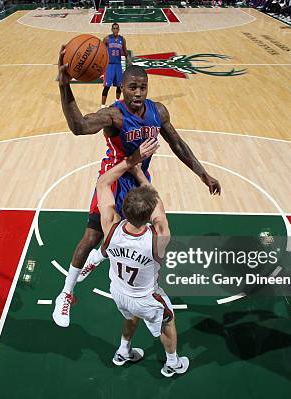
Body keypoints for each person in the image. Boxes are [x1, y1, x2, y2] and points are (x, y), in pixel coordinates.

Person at [52, 47, 221, 328]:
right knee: (91, 237)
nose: (138, 92)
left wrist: (203, 174)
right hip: (115, 178)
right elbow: (79, 126)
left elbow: (177, 144)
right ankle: (66, 292)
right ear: (122, 89)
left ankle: (109, 260)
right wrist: (64, 86)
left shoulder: (159, 112)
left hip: (140, 180)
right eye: (132, 87)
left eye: (142, 87)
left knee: (146, 239)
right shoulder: (114, 116)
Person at [89, 137, 190, 377]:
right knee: (168, 320)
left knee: (131, 315)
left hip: (119, 290)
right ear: (149, 216)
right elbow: (158, 208)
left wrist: (128, 163)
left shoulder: (110, 228)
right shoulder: (158, 238)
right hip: (147, 297)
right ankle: (173, 363)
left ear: (123, 209)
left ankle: (123, 351)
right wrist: (140, 171)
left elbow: (102, 183)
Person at [102, 23, 129, 107]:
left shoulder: (122, 39)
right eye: (114, 28)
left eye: (117, 28)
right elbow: (101, 50)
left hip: (118, 65)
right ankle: (102, 105)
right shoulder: (107, 39)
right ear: (111, 29)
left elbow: (125, 51)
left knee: (119, 85)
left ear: (119, 29)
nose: (115, 30)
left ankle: (117, 102)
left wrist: (130, 61)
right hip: (109, 65)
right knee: (107, 86)